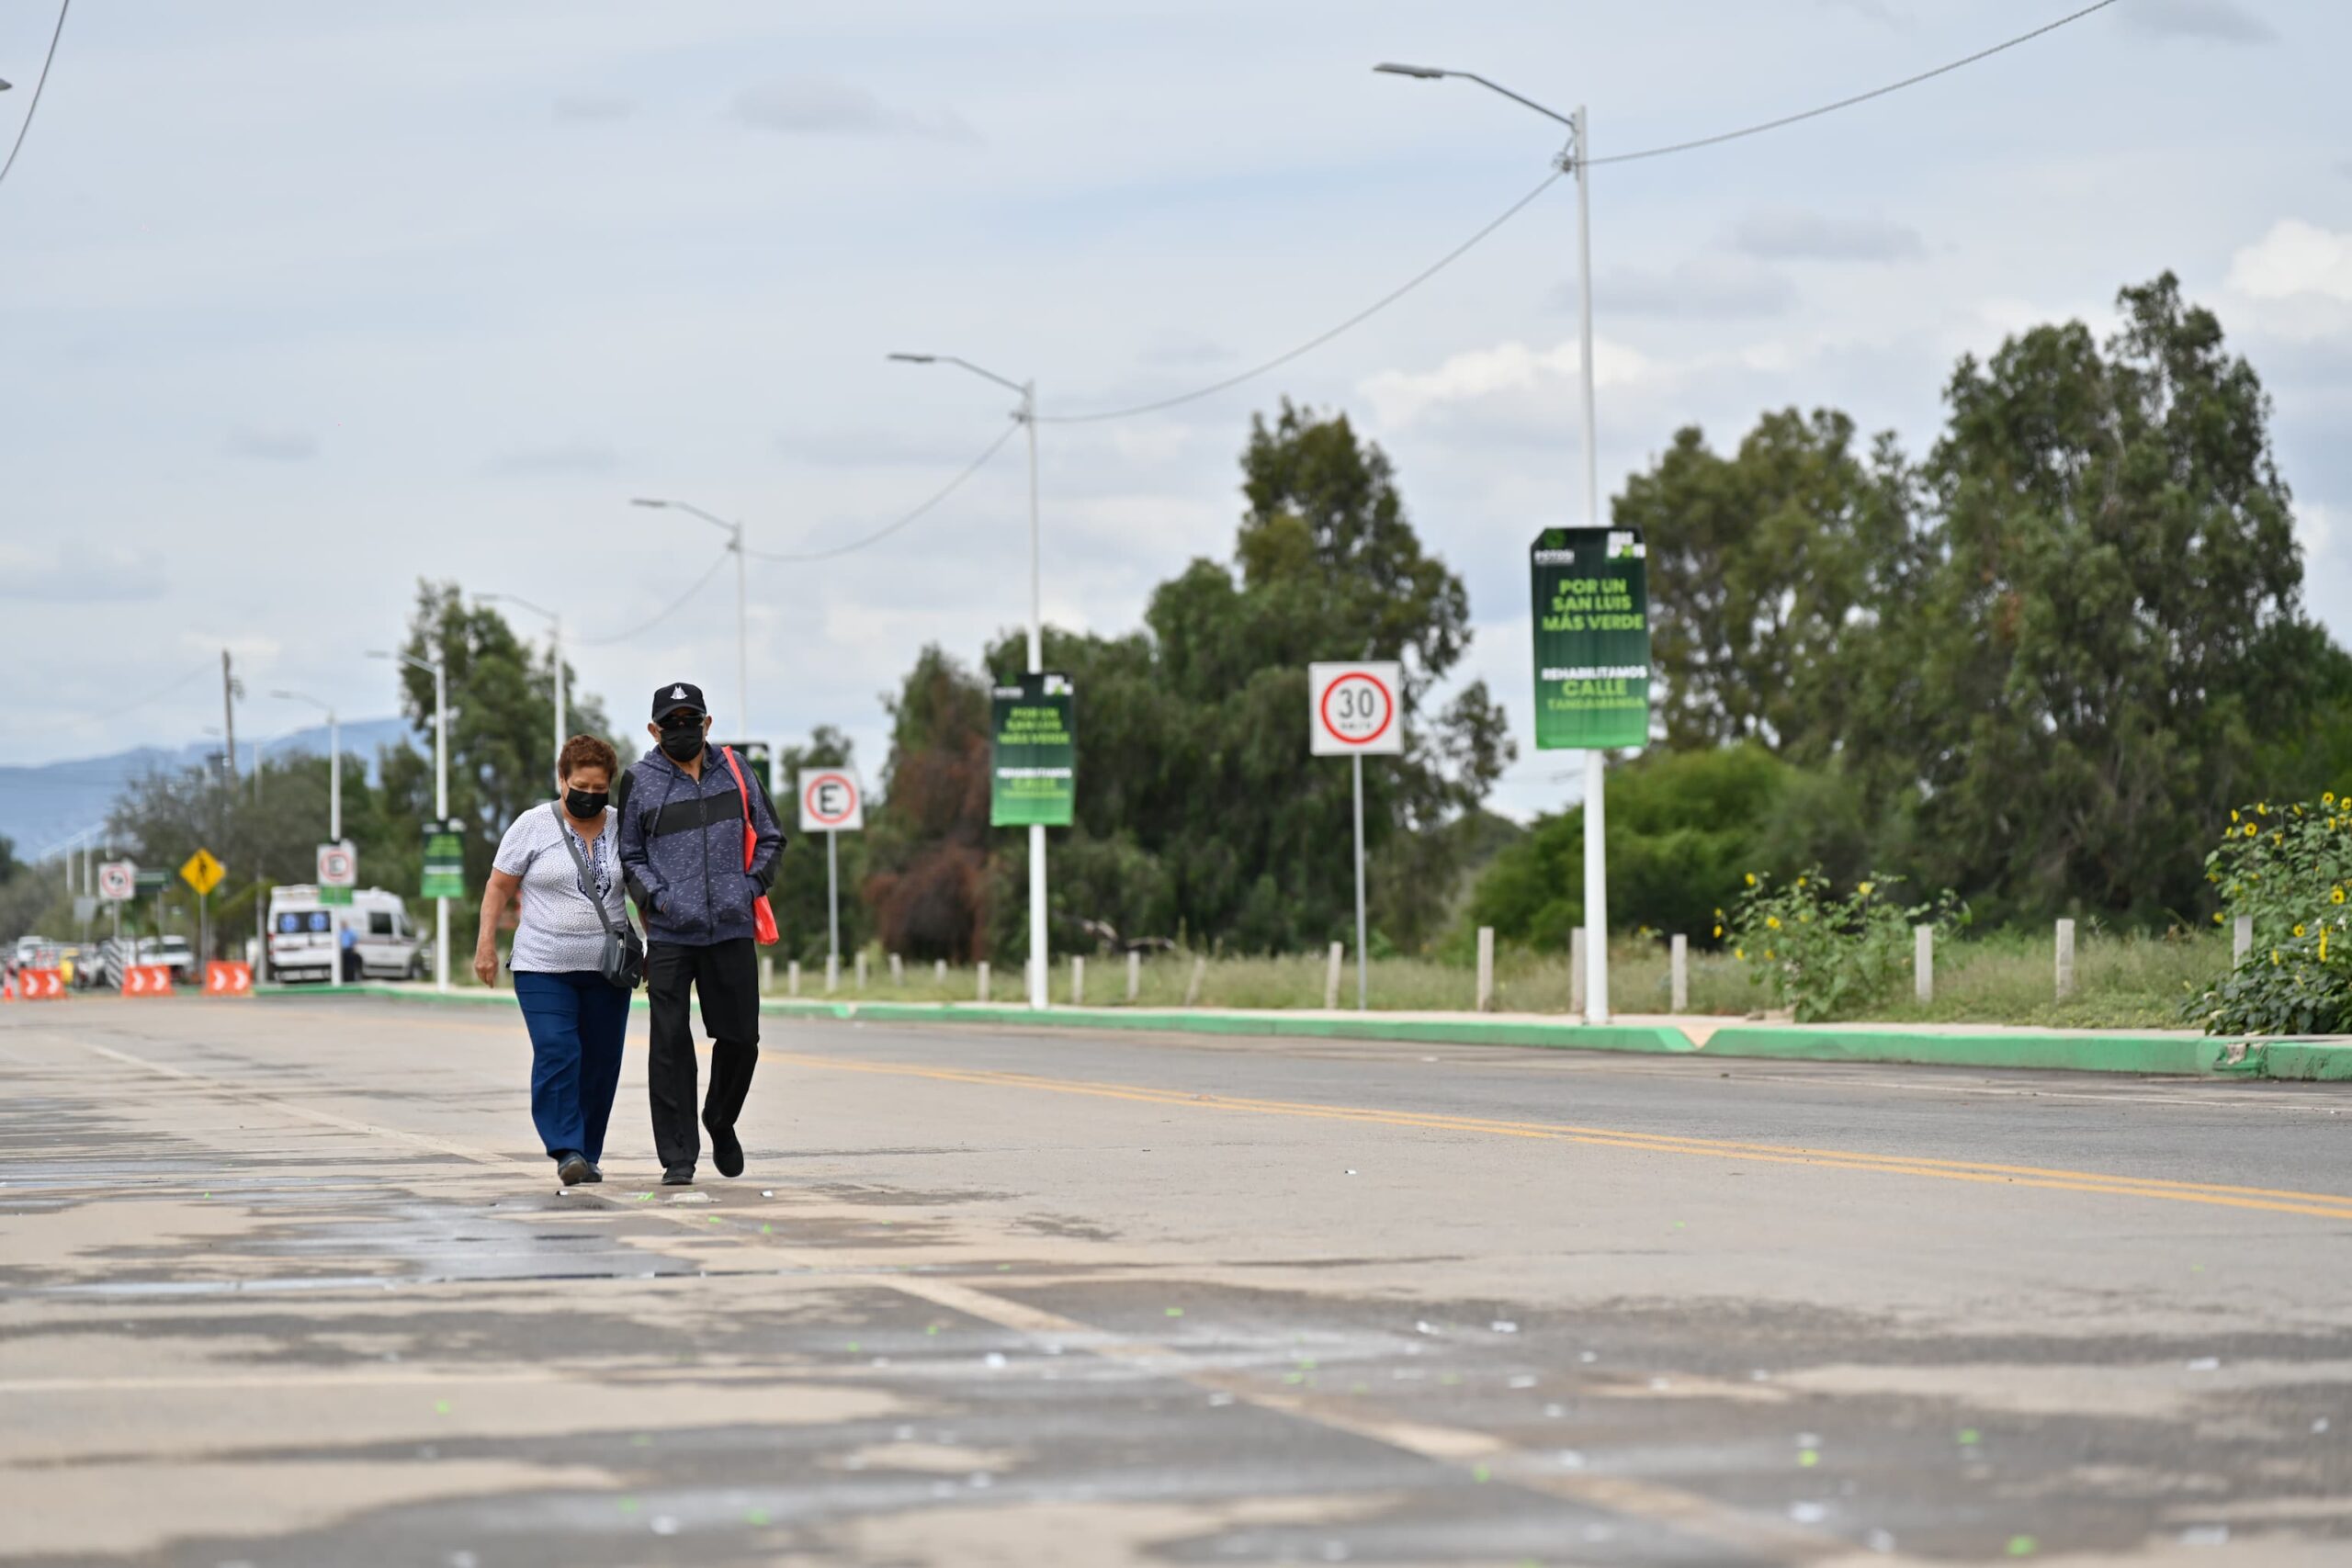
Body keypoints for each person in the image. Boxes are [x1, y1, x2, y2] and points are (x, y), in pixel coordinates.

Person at [616, 681, 784, 1185]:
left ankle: (720, 1119)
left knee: (741, 1039)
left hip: (731, 928)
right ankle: (679, 1157)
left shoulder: (736, 771)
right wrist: (661, 899)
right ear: (654, 729)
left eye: (693, 721)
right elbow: (631, 856)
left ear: (707, 723)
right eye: (673, 724)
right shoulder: (639, 781)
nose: (683, 730)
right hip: (671, 935)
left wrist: (749, 886)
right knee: (669, 1046)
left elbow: (771, 836)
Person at [475, 734, 635, 1189]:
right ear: (561, 779)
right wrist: (486, 944)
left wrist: (654, 942)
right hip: (542, 964)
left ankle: (588, 1152)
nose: (588, 795)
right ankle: (566, 1148)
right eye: (579, 785)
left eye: (599, 789)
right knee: (558, 1050)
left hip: (608, 968)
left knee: (601, 1062)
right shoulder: (532, 826)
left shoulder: (624, 826)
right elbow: (498, 887)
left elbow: (639, 890)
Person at [337, 919, 359, 983]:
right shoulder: (340, 932)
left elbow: (355, 940)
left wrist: (354, 947)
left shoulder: (351, 932)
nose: (343, 926)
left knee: (350, 966)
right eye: (342, 925)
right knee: (343, 966)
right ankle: (344, 979)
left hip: (349, 950)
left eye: (344, 924)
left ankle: (351, 980)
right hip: (342, 951)